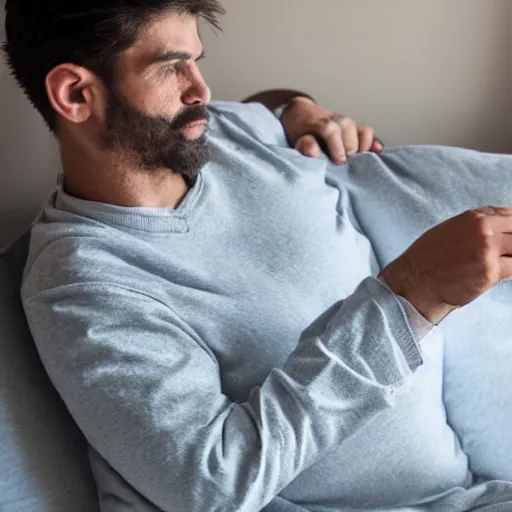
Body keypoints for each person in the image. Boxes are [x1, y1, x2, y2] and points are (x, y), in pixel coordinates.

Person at [4, 1, 512, 511]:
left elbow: (265, 111)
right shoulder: (82, 285)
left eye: (196, 60)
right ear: (75, 94)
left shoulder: (217, 132)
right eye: (170, 67)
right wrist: (411, 295)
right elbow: (213, 485)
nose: (200, 89)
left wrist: (296, 103)